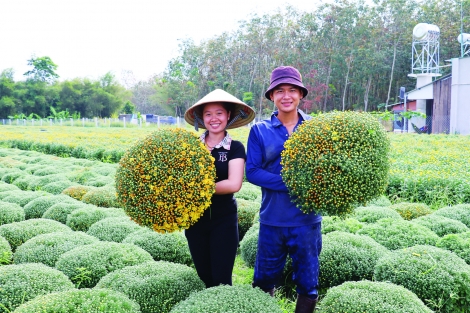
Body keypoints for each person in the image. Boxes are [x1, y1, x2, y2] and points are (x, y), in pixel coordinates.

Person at [246, 66, 322, 313]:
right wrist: (293, 183)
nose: (286, 95)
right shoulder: (259, 130)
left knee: (308, 284)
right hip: (272, 221)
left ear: (301, 94)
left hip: (307, 220)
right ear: (272, 96)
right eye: (280, 90)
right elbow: (253, 171)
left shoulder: (316, 128)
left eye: (292, 90)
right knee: (263, 281)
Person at [183, 89, 255, 288]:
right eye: (208, 114)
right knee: (204, 276)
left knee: (222, 279)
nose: (214, 118)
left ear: (228, 115)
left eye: (219, 113)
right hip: (194, 220)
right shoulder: (190, 146)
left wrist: (197, 188)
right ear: (201, 118)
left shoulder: (236, 147)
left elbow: (234, 183)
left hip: (223, 220)